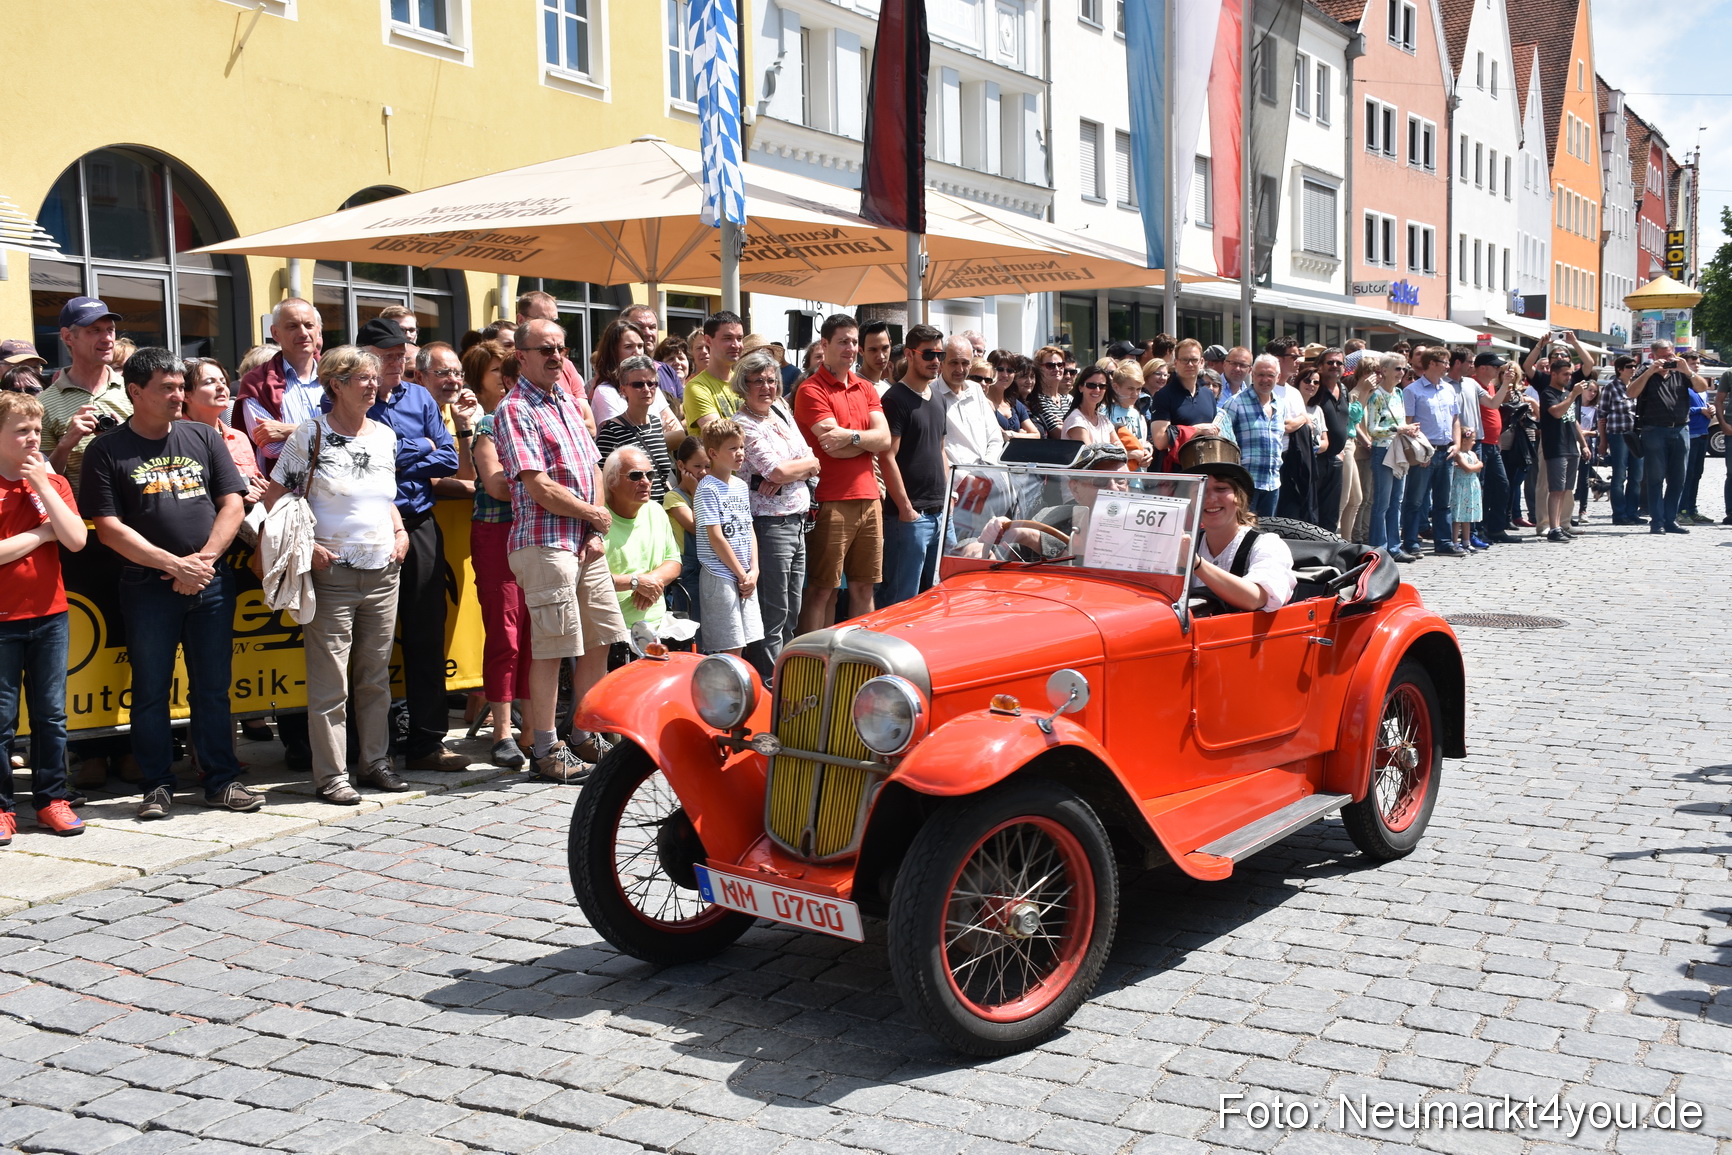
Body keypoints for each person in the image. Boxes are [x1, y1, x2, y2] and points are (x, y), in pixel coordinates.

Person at [80, 348, 257, 819]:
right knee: (151, 690)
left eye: (181, 386)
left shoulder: (203, 436)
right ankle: (156, 785)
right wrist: (174, 566)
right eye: (167, 388)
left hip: (210, 581)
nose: (178, 395)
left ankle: (222, 780)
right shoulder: (107, 449)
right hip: (147, 585)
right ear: (135, 392)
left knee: (213, 688)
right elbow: (108, 527)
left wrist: (203, 562)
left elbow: (232, 504)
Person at [261, 347, 411, 804]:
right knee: (332, 683)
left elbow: (383, 497)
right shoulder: (311, 434)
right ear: (336, 385)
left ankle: (375, 762)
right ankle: (331, 775)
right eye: (362, 378)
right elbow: (274, 499)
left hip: (384, 572)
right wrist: (307, 547)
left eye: (374, 377)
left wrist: (400, 531)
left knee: (375, 678)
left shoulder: (385, 436)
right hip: (331, 576)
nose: (373, 384)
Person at [494, 316, 628, 782]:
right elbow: (539, 487)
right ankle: (546, 749)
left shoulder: (568, 401)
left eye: (561, 349)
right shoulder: (514, 409)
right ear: (521, 356)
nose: (556, 357)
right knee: (553, 647)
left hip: (584, 541)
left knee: (600, 637)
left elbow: (593, 468)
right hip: (544, 541)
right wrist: (593, 516)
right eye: (546, 349)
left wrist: (595, 526)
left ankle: (583, 734)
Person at [344, 317, 467, 771]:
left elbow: (449, 457)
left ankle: (428, 741)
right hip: (364, 528)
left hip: (418, 523)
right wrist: (417, 448)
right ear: (365, 357)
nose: (398, 363)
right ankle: (367, 746)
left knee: (426, 635)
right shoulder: (346, 398)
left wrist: (396, 453)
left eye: (402, 356)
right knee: (367, 644)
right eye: (388, 357)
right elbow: (355, 459)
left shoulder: (419, 397)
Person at [0, 391, 89, 844]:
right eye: (22, 431)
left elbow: (75, 539)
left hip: (50, 615)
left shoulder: (51, 482)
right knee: (1, 720)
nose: (33, 438)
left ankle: (52, 799)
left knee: (51, 716)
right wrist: (40, 533)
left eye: (37, 430)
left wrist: (43, 486)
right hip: (3, 620)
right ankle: (2, 807)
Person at [794, 314, 890, 632]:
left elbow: (884, 440)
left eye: (853, 342)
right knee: (823, 590)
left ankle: (860, 653)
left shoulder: (866, 388)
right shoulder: (811, 390)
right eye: (843, 342)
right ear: (825, 344)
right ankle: (812, 657)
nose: (850, 348)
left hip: (869, 498)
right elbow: (831, 446)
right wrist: (866, 442)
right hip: (829, 500)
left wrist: (851, 437)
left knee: (864, 588)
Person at [465, 339, 531, 769]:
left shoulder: (536, 418)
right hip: (496, 531)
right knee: (506, 634)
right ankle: (502, 733)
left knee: (536, 634)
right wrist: (545, 483)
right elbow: (496, 485)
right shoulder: (488, 424)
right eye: (505, 374)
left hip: (535, 530)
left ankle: (534, 731)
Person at [730, 351, 816, 669]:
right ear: (744, 385)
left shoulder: (780, 410)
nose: (767, 387)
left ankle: (784, 678)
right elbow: (776, 471)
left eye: (771, 380)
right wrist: (792, 471)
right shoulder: (742, 425)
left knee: (793, 610)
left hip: (798, 521)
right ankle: (767, 683)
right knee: (773, 613)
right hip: (769, 526)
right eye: (758, 381)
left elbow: (812, 458)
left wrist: (793, 471)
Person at [878, 326, 951, 606]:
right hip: (910, 518)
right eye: (928, 354)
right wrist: (906, 509)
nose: (936, 361)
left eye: (940, 354)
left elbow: (940, 449)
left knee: (937, 597)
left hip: (941, 514)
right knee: (901, 600)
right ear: (909, 354)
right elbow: (887, 457)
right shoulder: (895, 399)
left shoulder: (939, 398)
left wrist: (949, 497)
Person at [1181, 440, 1297, 612]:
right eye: (1200, 490)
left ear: (1239, 496)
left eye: (1221, 488)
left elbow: (1256, 599)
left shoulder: (1268, 545)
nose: (1210, 498)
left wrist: (1196, 564)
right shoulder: (1186, 543)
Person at [42, 297, 129, 495]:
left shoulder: (133, 391)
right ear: (68, 337)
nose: (107, 338)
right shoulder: (45, 403)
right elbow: (43, 482)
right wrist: (66, 444)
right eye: (95, 330)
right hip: (81, 513)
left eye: (110, 329)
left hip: (138, 509)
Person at [695, 420, 761, 656]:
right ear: (713, 453)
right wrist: (742, 574)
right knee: (730, 644)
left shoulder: (741, 485)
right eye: (733, 448)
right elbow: (716, 537)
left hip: (745, 575)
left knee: (744, 641)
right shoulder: (707, 488)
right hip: (720, 574)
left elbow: (749, 528)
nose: (740, 453)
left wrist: (754, 569)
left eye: (741, 446)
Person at [601, 446, 683, 634]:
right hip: (611, 631)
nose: (645, 482)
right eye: (635, 476)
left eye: (650, 475)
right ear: (612, 481)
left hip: (658, 627)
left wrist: (650, 582)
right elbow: (588, 579)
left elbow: (674, 560)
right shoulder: (597, 520)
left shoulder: (655, 510)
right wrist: (635, 582)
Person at [238, 298, 325, 473]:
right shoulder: (257, 382)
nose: (303, 333)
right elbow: (272, 448)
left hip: (341, 484)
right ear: (275, 333)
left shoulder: (339, 376)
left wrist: (291, 430)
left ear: (318, 330)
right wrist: (329, 437)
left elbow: (356, 435)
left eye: (309, 325)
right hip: (288, 485)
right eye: (293, 326)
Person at [1399, 348, 1463, 558]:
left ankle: (1444, 542)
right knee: (1415, 501)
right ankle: (1410, 542)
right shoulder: (1412, 390)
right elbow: (1408, 424)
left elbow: (1455, 419)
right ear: (1432, 363)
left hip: (1446, 451)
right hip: (1424, 452)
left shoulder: (1449, 389)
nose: (1448, 366)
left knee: (1444, 502)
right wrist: (1419, 452)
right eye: (1445, 362)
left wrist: (1457, 444)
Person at [181, 358, 266, 506]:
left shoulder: (238, 437)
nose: (221, 387)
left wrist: (263, 490)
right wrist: (235, 495)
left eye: (223, 381)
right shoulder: (176, 438)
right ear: (186, 395)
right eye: (209, 382)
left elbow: (255, 482)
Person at [593, 356, 678, 498]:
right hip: (633, 509)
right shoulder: (612, 429)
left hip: (661, 508)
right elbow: (601, 480)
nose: (646, 389)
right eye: (638, 384)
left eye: (651, 384)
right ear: (623, 390)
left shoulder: (656, 424)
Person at [515, 291, 597, 436]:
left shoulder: (565, 365)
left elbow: (590, 426)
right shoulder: (508, 369)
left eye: (555, 321)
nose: (550, 326)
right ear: (520, 320)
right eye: (542, 320)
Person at [1218, 355, 1286, 516]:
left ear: (1278, 377)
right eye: (1260, 374)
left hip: (1272, 484)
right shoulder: (1235, 403)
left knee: (1267, 530)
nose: (1265, 379)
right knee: (1243, 529)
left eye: (1270, 375)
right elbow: (1223, 445)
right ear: (1252, 375)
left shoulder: (1280, 405)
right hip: (1245, 484)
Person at [1368, 353, 1419, 560]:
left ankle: (1394, 548)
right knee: (1382, 503)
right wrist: (1399, 428)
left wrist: (1408, 430)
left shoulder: (1398, 393)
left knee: (1396, 500)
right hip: (1383, 451)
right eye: (1397, 368)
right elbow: (1372, 429)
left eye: (1404, 369)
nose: (1402, 373)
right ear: (1384, 370)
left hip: (1398, 450)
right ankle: (1379, 549)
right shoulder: (1376, 395)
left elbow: (1401, 423)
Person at [1470, 353, 1518, 544]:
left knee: (1501, 485)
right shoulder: (1473, 384)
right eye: (1495, 366)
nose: (1499, 370)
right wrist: (1505, 384)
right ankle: (1479, 529)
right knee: (1481, 488)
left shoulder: (1489, 384)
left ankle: (1496, 528)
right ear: (1483, 368)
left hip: (1492, 443)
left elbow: (1494, 407)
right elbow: (1491, 404)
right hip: (1480, 442)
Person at [664, 436, 708, 623]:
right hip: (689, 569)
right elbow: (696, 527)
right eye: (697, 466)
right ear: (681, 465)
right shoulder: (673, 497)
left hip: (709, 565)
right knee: (692, 622)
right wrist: (696, 491)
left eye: (707, 466)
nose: (703, 472)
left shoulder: (710, 491)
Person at [1598, 355, 1645, 525]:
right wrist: (1603, 441)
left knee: (1637, 475)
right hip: (1618, 434)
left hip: (1636, 435)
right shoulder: (1610, 388)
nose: (1633, 369)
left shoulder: (1638, 386)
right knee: (1619, 476)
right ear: (1620, 369)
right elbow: (1601, 415)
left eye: (1634, 366)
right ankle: (1619, 514)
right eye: (1629, 366)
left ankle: (1632, 512)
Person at [683, 311, 745, 436]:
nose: (736, 345)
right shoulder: (697, 387)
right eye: (727, 338)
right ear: (708, 340)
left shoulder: (743, 382)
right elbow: (721, 437)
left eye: (739, 338)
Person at [618, 303, 686, 405]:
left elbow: (684, 408)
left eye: (652, 327)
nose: (648, 333)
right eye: (640, 327)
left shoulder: (667, 370)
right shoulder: (615, 376)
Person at [1338, 360, 1376, 544]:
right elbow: (1353, 417)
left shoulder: (1366, 393)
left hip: (1352, 444)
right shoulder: (1353, 393)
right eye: (1374, 372)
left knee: (1357, 499)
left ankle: (1346, 543)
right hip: (1348, 445)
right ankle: (1338, 540)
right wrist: (1363, 390)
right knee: (1345, 499)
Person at [1680, 368, 1713, 524]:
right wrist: (1700, 410)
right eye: (1693, 363)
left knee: (1697, 474)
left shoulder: (1701, 387)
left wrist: (1710, 408)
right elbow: (1680, 409)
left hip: (1703, 434)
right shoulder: (1682, 386)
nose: (1697, 366)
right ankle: (1681, 510)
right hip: (1690, 434)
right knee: (1687, 474)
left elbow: (1704, 405)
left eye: (1698, 363)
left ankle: (1692, 509)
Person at [1063, 363, 1119, 448]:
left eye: (1102, 386)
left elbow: (1122, 451)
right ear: (1081, 387)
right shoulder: (1075, 420)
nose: (1097, 390)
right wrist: (1112, 448)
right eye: (1091, 385)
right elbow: (1089, 453)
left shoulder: (1104, 420)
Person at [986, 356, 1038, 438]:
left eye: (1010, 370)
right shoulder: (983, 403)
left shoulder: (1015, 404)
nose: (1005, 375)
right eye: (1000, 369)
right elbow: (1000, 434)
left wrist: (1013, 434)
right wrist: (1023, 435)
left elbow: (1036, 435)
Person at [1027, 345, 1073, 437]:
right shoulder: (1038, 400)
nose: (1057, 369)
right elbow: (1058, 433)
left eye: (1060, 365)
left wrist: (1065, 425)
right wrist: (1072, 426)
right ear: (1039, 369)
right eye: (1050, 365)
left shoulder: (1067, 399)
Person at [1450, 433, 1484, 552]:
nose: (1474, 442)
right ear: (1464, 441)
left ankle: (1466, 541)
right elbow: (1468, 468)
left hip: (1471, 485)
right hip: (1460, 485)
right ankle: (1454, 542)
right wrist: (1476, 466)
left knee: (1467, 515)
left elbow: (1478, 466)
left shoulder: (1472, 454)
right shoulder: (1459, 454)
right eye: (1472, 440)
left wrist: (1476, 466)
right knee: (1457, 515)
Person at [859, 320, 894, 391]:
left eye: (885, 348)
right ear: (861, 351)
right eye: (873, 350)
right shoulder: (853, 387)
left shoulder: (887, 389)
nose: (881, 356)